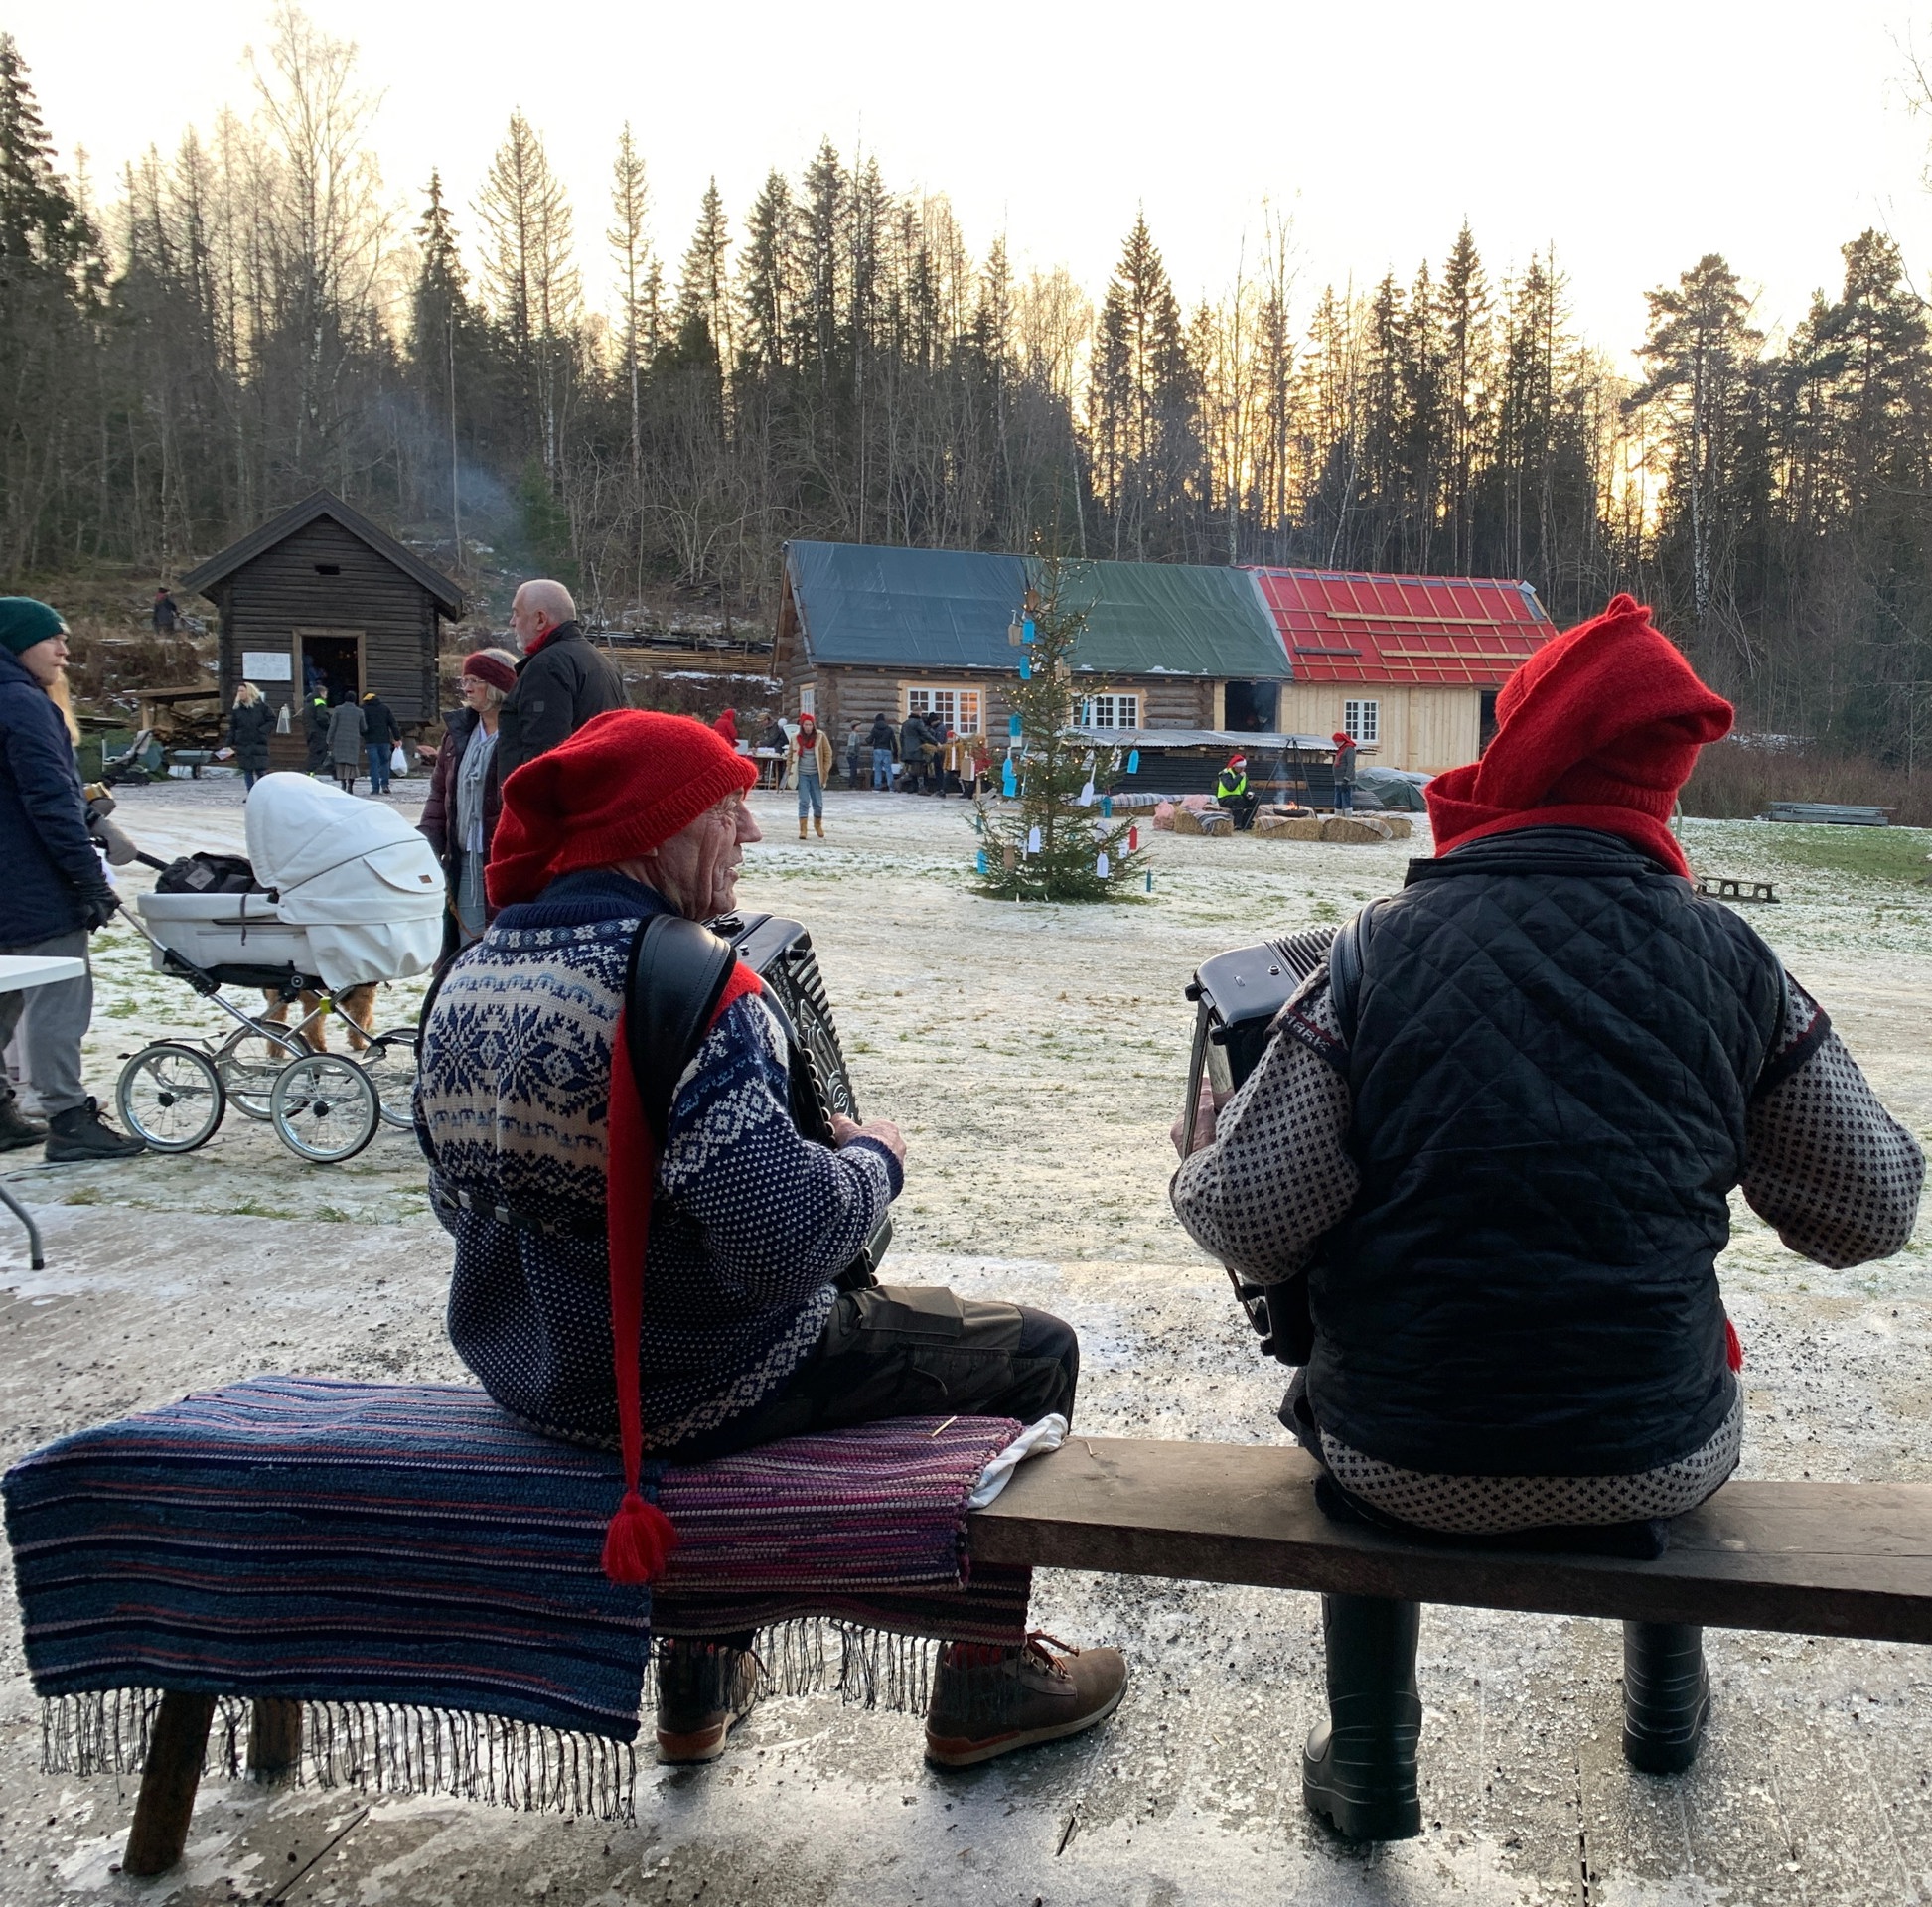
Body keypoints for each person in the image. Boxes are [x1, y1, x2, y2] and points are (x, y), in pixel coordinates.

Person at [1169, 596, 1924, 1843]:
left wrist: (1200, 1150)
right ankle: (1664, 1714)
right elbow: (1870, 1211)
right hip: (1655, 1453)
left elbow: (1249, 1214)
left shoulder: (1374, 952)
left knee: (1366, 1379)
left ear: (1518, 749)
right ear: (1658, 783)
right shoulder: (1732, 959)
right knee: (1677, 1352)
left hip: (1398, 1458)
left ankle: (1368, 1759)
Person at [415, 710, 1127, 1769]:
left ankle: (700, 1678)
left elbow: (455, 1200)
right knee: (1035, 1351)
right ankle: (986, 1679)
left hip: (529, 1372)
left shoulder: (471, 974)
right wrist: (873, 1159)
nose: (749, 832)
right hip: (689, 1382)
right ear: (653, 831)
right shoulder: (693, 987)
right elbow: (785, 1245)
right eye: (724, 810)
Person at [0, 598, 144, 1161]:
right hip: (33, 878)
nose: (64, 651)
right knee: (58, 996)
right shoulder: (22, 703)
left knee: (5, 994)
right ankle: (67, 1118)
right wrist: (88, 880)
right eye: (53, 639)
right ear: (17, 643)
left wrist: (89, 816)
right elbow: (48, 799)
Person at [418, 649, 518, 953]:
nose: (467, 688)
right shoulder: (457, 734)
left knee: (501, 946)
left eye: (476, 680)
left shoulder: (520, 736)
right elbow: (439, 796)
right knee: (464, 949)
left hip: (502, 863)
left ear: (498, 685)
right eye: (465, 680)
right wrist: (427, 844)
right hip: (462, 862)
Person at [496, 579, 625, 781]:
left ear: (540, 619)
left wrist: (525, 798)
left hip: (558, 796)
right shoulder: (600, 661)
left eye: (516, 613)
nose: (512, 622)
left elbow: (543, 756)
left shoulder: (547, 667)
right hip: (597, 790)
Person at [788, 711, 833, 840]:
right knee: (803, 801)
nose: (808, 727)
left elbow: (828, 754)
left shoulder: (820, 736)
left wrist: (825, 769)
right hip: (802, 774)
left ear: (813, 725)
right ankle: (803, 829)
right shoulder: (795, 738)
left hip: (816, 774)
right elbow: (790, 755)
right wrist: (790, 768)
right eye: (805, 725)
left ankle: (818, 824)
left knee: (818, 802)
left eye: (810, 725)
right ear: (802, 726)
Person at [226, 682, 274, 792]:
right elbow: (233, 727)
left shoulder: (262, 707)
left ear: (249, 692)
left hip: (258, 743)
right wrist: (228, 744)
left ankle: (263, 793)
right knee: (247, 771)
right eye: (239, 691)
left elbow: (271, 720)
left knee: (261, 771)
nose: (240, 693)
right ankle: (251, 793)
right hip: (244, 744)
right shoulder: (237, 709)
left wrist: (261, 731)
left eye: (242, 691)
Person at [361, 690, 400, 796]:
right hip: (384, 740)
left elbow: (361, 726)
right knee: (385, 762)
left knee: (374, 764)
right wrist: (397, 738)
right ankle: (385, 784)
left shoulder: (363, 709)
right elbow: (393, 724)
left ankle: (375, 788)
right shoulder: (384, 708)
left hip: (370, 741)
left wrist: (363, 735)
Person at [327, 690, 366, 794]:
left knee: (340, 763)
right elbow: (363, 727)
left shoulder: (338, 709)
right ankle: (350, 785)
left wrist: (329, 738)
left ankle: (343, 783)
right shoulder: (359, 711)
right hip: (353, 741)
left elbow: (332, 725)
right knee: (351, 763)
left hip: (339, 740)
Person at [1215, 754, 1260, 831]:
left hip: (1238, 798)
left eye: (1244, 768)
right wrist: (1239, 776)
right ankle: (1237, 824)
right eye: (1240, 768)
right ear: (1235, 766)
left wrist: (1248, 793)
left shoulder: (1243, 775)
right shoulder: (1225, 773)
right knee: (1238, 799)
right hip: (1224, 799)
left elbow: (1246, 787)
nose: (1242, 770)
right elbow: (1230, 787)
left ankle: (1246, 823)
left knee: (1255, 799)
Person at [302, 688, 331, 776]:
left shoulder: (308, 703)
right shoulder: (319, 702)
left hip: (310, 731)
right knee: (319, 753)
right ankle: (310, 772)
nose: (326, 696)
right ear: (321, 693)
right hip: (319, 732)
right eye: (325, 693)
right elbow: (322, 718)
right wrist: (329, 725)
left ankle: (310, 772)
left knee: (313, 752)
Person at [868, 712, 897, 791]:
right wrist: (895, 753)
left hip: (877, 750)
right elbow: (894, 742)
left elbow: (870, 740)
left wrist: (867, 740)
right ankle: (891, 787)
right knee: (888, 769)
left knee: (878, 769)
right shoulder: (889, 729)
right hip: (887, 750)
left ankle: (877, 786)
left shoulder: (874, 728)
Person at [1331, 731, 1358, 812]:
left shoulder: (1349, 749)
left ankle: (1348, 818)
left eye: (1337, 741)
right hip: (1338, 781)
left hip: (1346, 781)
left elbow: (1350, 765)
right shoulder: (1340, 750)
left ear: (1341, 740)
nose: (1335, 743)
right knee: (1337, 802)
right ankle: (1337, 818)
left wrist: (1346, 779)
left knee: (1346, 801)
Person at [843, 721, 862, 789]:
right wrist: (853, 754)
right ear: (854, 727)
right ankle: (851, 783)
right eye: (858, 726)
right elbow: (851, 745)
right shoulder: (853, 735)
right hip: (852, 755)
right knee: (853, 769)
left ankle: (853, 782)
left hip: (854, 755)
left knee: (854, 769)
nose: (859, 727)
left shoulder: (856, 734)